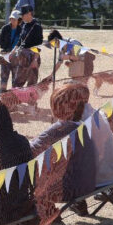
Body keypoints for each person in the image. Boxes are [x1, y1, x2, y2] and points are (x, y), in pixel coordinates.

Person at [31, 83, 97, 213]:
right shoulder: (83, 126)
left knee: (27, 173)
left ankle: (46, 212)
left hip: (68, 190)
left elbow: (31, 151)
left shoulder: (61, 128)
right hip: (88, 185)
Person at [13, 6, 43, 87]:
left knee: (32, 84)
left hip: (33, 57)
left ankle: (31, 100)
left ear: (29, 13)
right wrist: (12, 53)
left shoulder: (37, 26)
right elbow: (20, 41)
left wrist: (35, 60)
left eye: (23, 15)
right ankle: (14, 99)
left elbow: (38, 45)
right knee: (17, 83)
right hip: (23, 57)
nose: (21, 17)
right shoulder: (23, 24)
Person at [0, 10, 22, 92]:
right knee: (4, 78)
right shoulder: (5, 28)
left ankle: (14, 99)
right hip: (5, 55)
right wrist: (7, 50)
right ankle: (1, 97)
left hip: (17, 57)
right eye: (11, 18)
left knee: (16, 79)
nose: (12, 20)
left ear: (19, 20)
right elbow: (0, 41)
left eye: (14, 19)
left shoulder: (22, 29)